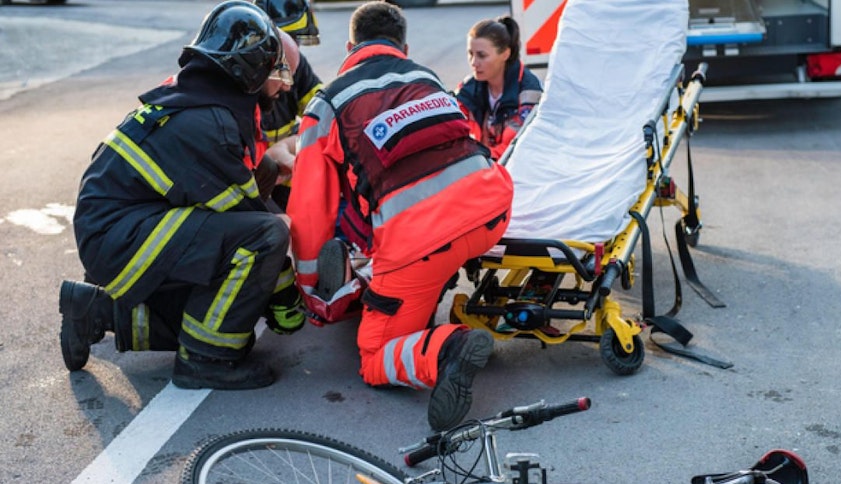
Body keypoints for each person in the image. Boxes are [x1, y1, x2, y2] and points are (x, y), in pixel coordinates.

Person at [287, 1, 514, 431]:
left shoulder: (328, 103)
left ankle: (448, 349)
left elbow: (310, 211)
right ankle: (423, 290)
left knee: (374, 357)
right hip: (492, 211)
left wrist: (315, 294)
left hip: (422, 245)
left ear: (350, 46)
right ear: (404, 46)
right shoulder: (426, 77)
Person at [58, 1, 303, 390]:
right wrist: (287, 298)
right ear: (251, 69)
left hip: (119, 234)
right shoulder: (208, 124)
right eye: (279, 71)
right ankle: (206, 362)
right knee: (265, 239)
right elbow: (253, 221)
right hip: (117, 240)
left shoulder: (198, 102)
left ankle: (96, 311)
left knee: (224, 314)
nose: (287, 85)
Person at [252, 0, 325, 210]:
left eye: (294, 41)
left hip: (283, 173)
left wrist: (293, 142)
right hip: (252, 179)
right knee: (279, 228)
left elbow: (323, 111)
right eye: (281, 43)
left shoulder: (298, 65)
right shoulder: (245, 79)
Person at [454, 15, 542, 161]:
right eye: (471, 54)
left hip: (517, 167)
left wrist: (473, 158)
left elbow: (513, 148)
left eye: (482, 55)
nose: (474, 62)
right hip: (483, 165)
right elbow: (450, 126)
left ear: (505, 54)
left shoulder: (529, 92)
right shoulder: (468, 87)